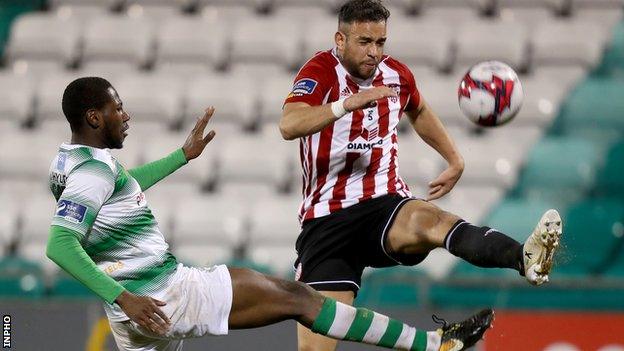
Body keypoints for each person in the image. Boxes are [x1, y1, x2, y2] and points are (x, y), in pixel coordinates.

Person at [45, 76, 493, 351]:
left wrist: (182, 156)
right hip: (162, 293)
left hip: (138, 312)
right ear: (94, 117)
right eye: (116, 107)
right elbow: (59, 244)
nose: (126, 114)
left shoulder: (76, 164)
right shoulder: (91, 176)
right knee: (299, 298)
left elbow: (123, 187)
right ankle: (434, 344)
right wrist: (124, 296)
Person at [279, 1, 563, 350]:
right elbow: (289, 124)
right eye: (365, 41)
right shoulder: (320, 71)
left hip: (382, 205)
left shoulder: (396, 75)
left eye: (380, 42)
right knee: (314, 347)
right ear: (340, 39)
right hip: (327, 221)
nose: (374, 52)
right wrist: (345, 105)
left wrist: (454, 158)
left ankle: (523, 256)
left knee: (431, 221)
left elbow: (419, 108)